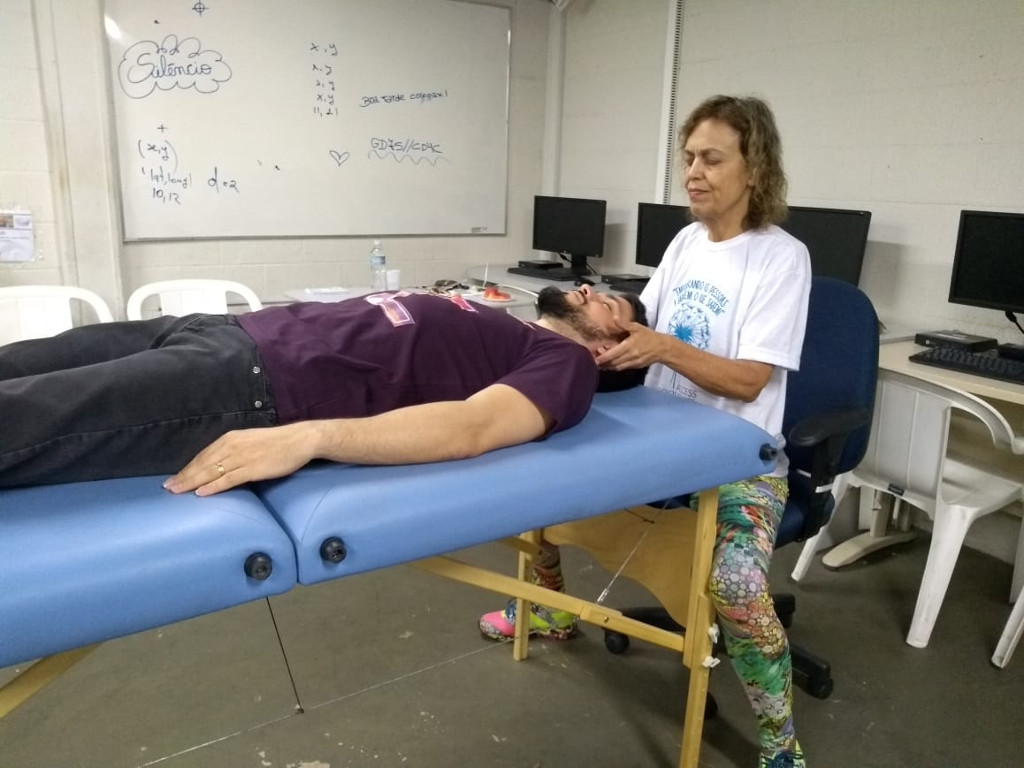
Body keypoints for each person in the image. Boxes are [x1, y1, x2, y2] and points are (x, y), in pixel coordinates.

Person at [479, 95, 811, 768]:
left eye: (711, 159)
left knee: (738, 590)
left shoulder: (781, 259)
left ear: (755, 169)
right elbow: (642, 320)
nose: (693, 173)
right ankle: (554, 610)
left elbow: (750, 381)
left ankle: (780, 745)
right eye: (688, 158)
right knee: (540, 482)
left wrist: (661, 348)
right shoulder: (686, 242)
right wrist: (592, 317)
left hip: (741, 461)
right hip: (660, 443)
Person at [0, 285, 646, 493]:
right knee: (18, 363)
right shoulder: (512, 325)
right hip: (224, 330)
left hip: (250, 382)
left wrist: (310, 438)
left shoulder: (567, 365)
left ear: (611, 351)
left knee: (23, 416)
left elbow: (472, 428)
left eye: (610, 303)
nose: (590, 289)